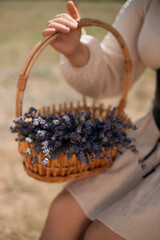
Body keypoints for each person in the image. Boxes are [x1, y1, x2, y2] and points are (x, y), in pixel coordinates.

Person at [39, 0, 160, 239]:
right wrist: (78, 51)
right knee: (63, 213)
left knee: (102, 235)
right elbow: (114, 69)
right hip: (153, 132)